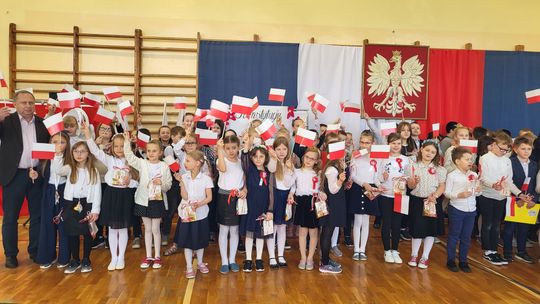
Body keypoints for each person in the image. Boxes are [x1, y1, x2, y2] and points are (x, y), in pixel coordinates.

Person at [0, 90, 50, 268]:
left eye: (31, 102)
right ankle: (11, 255)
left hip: (37, 174)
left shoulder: (43, 123)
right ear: (15, 104)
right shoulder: (6, 122)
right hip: (14, 175)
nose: (28, 106)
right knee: (10, 218)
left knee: (37, 216)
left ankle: (35, 252)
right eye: (23, 102)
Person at [83, 124, 136, 271]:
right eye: (117, 146)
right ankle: (114, 257)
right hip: (111, 195)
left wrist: (129, 182)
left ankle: (121, 257)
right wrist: (88, 135)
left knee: (123, 228)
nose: (119, 149)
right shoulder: (109, 160)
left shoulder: (132, 162)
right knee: (112, 229)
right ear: (112, 147)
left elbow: (139, 182)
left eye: (122, 146)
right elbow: (94, 150)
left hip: (125, 196)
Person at [123, 134, 172, 269]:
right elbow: (129, 157)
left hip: (157, 201)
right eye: (149, 151)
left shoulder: (164, 166)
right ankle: (148, 255)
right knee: (148, 229)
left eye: (154, 151)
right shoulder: (143, 163)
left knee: (156, 229)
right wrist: (127, 142)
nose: (151, 153)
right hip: (143, 200)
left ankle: (157, 256)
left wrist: (160, 183)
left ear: (160, 152)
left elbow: (168, 185)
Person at [478, 132, 527, 265]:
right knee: (487, 224)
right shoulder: (485, 158)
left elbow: (509, 181)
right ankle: (488, 251)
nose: (504, 152)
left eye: (507, 150)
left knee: (496, 225)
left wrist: (519, 194)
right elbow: (483, 178)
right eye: (502, 149)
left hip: (501, 196)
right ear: (493, 145)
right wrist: (493, 185)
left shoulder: (507, 160)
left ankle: (493, 250)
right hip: (487, 195)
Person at [60, 141, 102, 274]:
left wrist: (95, 209)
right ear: (72, 153)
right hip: (71, 204)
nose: (79, 154)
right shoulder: (69, 168)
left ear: (88, 154)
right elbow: (57, 170)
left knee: (88, 232)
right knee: (72, 233)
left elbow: (97, 191)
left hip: (87, 204)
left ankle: (86, 259)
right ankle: (75, 260)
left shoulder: (93, 170)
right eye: (76, 151)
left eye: (82, 151)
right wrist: (57, 154)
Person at [34, 132, 71, 269]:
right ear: (50, 143)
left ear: (67, 144)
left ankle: (64, 257)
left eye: (62, 142)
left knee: (63, 225)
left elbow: (63, 172)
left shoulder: (69, 160)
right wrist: (35, 174)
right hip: (49, 191)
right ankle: (47, 256)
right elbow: (42, 176)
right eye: (55, 142)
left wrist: (58, 157)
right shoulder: (45, 159)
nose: (58, 145)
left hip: (63, 192)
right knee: (47, 224)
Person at [406, 142, 446, 269]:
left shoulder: (440, 169)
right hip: (417, 201)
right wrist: (413, 182)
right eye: (427, 150)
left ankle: (425, 257)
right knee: (417, 230)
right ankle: (414, 255)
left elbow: (442, 185)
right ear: (421, 150)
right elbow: (410, 186)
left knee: (430, 230)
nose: (429, 153)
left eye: (433, 152)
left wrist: (435, 196)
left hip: (432, 202)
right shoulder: (412, 166)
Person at [177, 150, 214, 279]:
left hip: (201, 214)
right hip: (187, 214)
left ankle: (200, 262)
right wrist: (181, 183)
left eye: (188, 161)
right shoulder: (184, 176)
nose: (185, 163)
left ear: (198, 163)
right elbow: (185, 196)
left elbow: (209, 197)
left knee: (200, 240)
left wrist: (200, 204)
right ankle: (188, 266)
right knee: (187, 241)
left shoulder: (206, 178)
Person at [445, 147, 480, 273]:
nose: (470, 161)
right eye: (467, 159)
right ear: (457, 161)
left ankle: (463, 260)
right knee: (454, 235)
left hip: (471, 210)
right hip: (457, 209)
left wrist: (478, 191)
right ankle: (451, 260)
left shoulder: (474, 175)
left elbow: (475, 193)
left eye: (471, 159)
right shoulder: (452, 176)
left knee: (466, 237)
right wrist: (458, 195)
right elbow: (447, 193)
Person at [240, 138, 273, 272]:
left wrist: (270, 209)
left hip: (263, 208)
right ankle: (248, 259)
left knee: (260, 235)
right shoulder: (249, 169)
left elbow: (271, 193)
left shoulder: (269, 172)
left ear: (266, 158)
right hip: (250, 207)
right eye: (255, 156)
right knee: (249, 234)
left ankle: (258, 259)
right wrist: (247, 146)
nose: (258, 159)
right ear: (252, 158)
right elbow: (244, 157)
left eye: (261, 156)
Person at [289, 147, 325, 271]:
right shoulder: (297, 171)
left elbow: (320, 188)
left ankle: (310, 258)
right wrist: (290, 194)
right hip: (301, 202)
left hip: (313, 202)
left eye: (312, 158)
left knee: (314, 232)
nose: (309, 160)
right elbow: (293, 186)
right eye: (307, 157)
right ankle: (303, 257)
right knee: (303, 231)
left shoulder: (318, 173)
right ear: (304, 157)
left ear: (316, 161)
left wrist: (322, 194)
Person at [348, 131, 382, 261]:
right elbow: (353, 175)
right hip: (358, 188)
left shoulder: (377, 157)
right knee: (357, 221)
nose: (364, 145)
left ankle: (362, 249)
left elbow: (376, 175)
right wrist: (363, 184)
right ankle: (356, 249)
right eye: (362, 142)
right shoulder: (355, 155)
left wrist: (379, 184)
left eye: (367, 142)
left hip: (370, 188)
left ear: (373, 143)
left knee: (366, 221)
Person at [378, 133, 411, 264]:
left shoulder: (406, 159)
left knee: (397, 224)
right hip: (386, 195)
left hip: (400, 195)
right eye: (393, 143)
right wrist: (382, 178)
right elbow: (377, 177)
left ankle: (395, 250)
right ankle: (387, 250)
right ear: (388, 144)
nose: (396, 146)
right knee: (386, 223)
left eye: (398, 143)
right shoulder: (383, 159)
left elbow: (410, 176)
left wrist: (407, 179)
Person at [215, 135, 246, 274]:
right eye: (228, 148)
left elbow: (245, 180)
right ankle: (224, 261)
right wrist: (220, 150)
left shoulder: (241, 162)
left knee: (234, 230)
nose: (231, 151)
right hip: (224, 197)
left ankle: (232, 260)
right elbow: (222, 168)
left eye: (234, 147)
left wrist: (244, 190)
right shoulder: (221, 159)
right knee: (224, 230)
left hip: (237, 198)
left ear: (238, 147)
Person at [504, 137, 537, 263]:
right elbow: (508, 181)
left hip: (528, 199)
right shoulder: (510, 162)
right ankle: (507, 252)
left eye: (529, 149)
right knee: (509, 228)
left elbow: (533, 183)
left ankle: (521, 252)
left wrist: (532, 198)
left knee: (524, 227)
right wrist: (518, 197)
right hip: (513, 199)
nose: (526, 151)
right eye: (523, 149)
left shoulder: (533, 164)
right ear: (515, 149)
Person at [318, 138, 347, 274]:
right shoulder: (332, 170)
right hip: (332, 205)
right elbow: (333, 189)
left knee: (328, 233)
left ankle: (326, 259)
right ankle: (324, 263)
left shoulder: (336, 167)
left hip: (335, 204)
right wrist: (341, 181)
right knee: (327, 233)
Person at [267, 136, 295, 268]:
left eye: (284, 149)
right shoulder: (272, 161)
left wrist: (291, 193)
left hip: (285, 197)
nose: (281, 152)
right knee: (272, 227)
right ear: (274, 150)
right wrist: (276, 159)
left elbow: (290, 183)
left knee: (282, 227)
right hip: (274, 196)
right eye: (278, 149)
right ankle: (272, 256)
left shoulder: (290, 164)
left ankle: (281, 255)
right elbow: (272, 169)